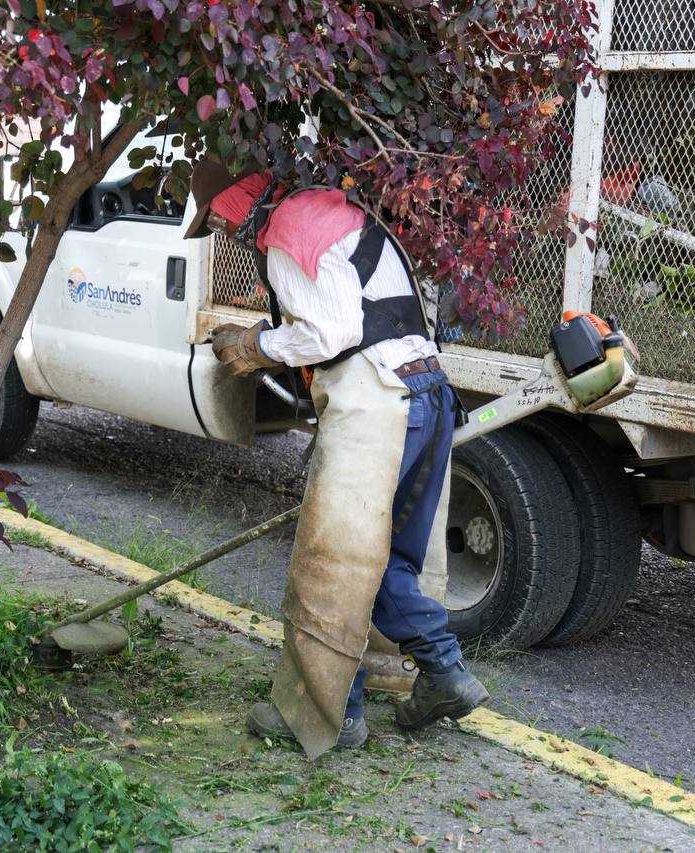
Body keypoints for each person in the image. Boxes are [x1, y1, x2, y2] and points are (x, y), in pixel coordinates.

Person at [184, 161, 489, 759]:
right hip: (427, 392)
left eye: (217, 216)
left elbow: (330, 333)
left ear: (236, 199)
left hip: (377, 405)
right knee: (389, 559)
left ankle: (330, 714)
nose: (220, 229)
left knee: (333, 565)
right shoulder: (337, 210)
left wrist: (255, 345)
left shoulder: (287, 234)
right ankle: (444, 675)